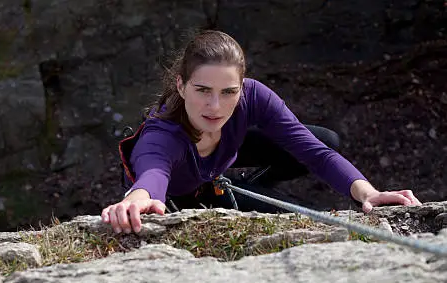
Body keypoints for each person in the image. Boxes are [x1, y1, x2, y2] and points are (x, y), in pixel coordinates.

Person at [102, 30, 422, 234]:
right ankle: (226, 195)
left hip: (218, 161)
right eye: (202, 90)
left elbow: (315, 151)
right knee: (295, 214)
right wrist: (141, 197)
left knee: (327, 140)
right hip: (180, 196)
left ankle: (242, 185)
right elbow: (154, 169)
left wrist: (368, 193)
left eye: (229, 91)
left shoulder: (253, 97)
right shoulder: (164, 133)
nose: (215, 106)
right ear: (181, 86)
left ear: (242, 88)